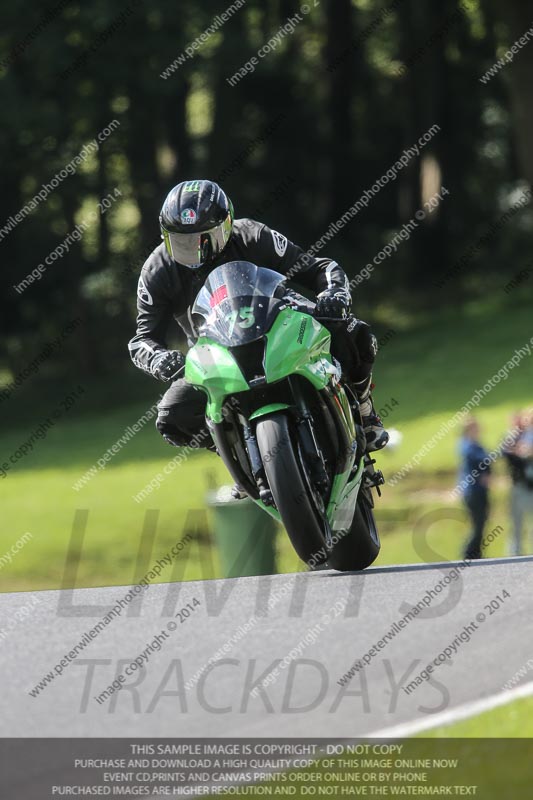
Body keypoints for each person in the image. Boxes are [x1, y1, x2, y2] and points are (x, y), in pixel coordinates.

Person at [128, 179, 389, 459]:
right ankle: (237, 452)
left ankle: (364, 411)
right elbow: (142, 339)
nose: (194, 252)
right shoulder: (157, 269)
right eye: (180, 242)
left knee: (353, 332)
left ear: (226, 225)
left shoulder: (252, 235)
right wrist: (159, 359)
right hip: (214, 354)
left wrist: (334, 294)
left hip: (279, 323)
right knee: (172, 415)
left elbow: (318, 269)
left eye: (203, 239)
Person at [458, 417, 491, 560]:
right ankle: (468, 554)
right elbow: (483, 459)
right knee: (477, 524)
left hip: (481, 491)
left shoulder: (476, 445)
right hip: (473, 491)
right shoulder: (467, 446)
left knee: (482, 523)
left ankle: (476, 554)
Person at [503, 409, 533, 556]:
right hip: (519, 486)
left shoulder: (526, 437)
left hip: (528, 487)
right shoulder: (513, 438)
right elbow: (507, 453)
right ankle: (515, 554)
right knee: (517, 522)